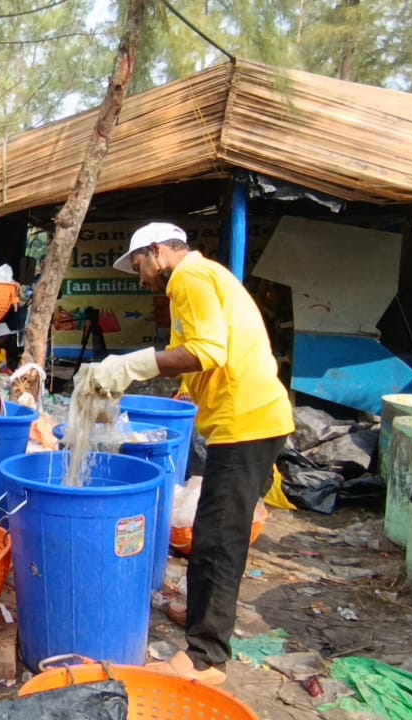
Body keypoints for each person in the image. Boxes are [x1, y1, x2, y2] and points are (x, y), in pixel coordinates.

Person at [88, 222, 294, 686]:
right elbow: (208, 351)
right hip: (247, 417)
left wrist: (132, 364)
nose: (142, 279)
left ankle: (205, 658)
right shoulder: (207, 276)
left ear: (159, 252)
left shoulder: (189, 279)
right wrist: (185, 391)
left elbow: (207, 350)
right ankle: (207, 618)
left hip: (246, 421)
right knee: (220, 533)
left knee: (217, 539)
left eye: (140, 265)